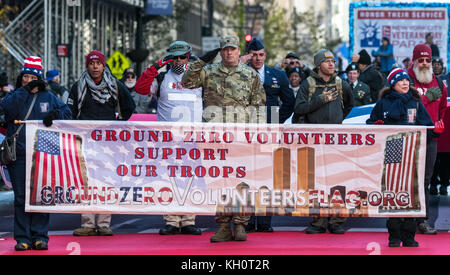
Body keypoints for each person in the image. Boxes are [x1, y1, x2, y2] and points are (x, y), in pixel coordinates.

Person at [182, 35, 266, 243]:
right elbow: (186, 82)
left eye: (232, 49)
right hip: (214, 137)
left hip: (240, 137)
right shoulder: (209, 71)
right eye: (224, 50)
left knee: (242, 182)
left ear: (239, 52)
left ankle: (240, 224)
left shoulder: (250, 74)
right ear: (220, 52)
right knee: (218, 181)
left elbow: (259, 105)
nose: (229, 53)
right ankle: (222, 225)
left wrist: (256, 134)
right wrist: (201, 60)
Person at [0, 56, 72, 251]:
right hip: (20, 153)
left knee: (41, 195)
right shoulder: (15, 95)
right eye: (26, 76)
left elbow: (67, 113)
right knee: (21, 197)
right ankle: (22, 238)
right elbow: (6, 108)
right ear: (21, 77)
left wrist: (55, 115)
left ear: (39, 78)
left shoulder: (48, 97)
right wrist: (24, 91)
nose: (28, 80)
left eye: (33, 77)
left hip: (44, 153)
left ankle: (41, 237)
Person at [366, 68, 443, 247]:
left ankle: (409, 236)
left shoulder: (416, 103)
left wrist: (436, 132)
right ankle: (393, 235)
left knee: (410, 195)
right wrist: (376, 126)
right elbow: (370, 124)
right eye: (401, 81)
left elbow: (428, 128)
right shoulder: (382, 103)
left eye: (407, 80)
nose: (405, 83)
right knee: (392, 194)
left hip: (412, 155)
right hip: (391, 154)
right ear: (393, 84)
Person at [135, 41, 203, 235]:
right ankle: (171, 220)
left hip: (193, 138)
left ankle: (189, 219)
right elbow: (140, 89)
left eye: (182, 57)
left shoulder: (200, 77)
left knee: (191, 179)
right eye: (175, 58)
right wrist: (156, 66)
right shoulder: (163, 77)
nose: (179, 61)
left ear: (188, 57)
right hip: (168, 140)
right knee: (169, 179)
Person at [68, 50, 135, 237]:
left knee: (106, 181)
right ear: (87, 66)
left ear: (104, 65)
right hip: (85, 140)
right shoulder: (78, 86)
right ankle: (88, 223)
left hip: (109, 142)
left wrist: (118, 124)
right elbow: (70, 111)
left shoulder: (115, 85)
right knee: (87, 181)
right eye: (92, 63)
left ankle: (104, 223)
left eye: (98, 63)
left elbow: (129, 106)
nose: (95, 66)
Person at [292, 49, 353, 234]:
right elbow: (299, 108)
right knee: (316, 181)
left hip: (336, 140)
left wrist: (338, 118)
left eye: (333, 61)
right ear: (319, 65)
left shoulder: (341, 84)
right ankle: (318, 221)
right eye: (327, 61)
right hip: (314, 141)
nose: (332, 64)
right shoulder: (308, 84)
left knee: (337, 180)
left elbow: (349, 105)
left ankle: (336, 220)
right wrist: (320, 100)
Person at [241, 38, 295, 233]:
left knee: (266, 175)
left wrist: (276, 120)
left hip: (269, 132)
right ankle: (244, 220)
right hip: (245, 131)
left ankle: (264, 221)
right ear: (248, 55)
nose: (257, 59)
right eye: (253, 55)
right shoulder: (239, 73)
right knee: (245, 174)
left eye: (261, 55)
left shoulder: (278, 75)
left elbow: (289, 101)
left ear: (266, 55)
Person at [407, 43, 447, 234]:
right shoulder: (406, 80)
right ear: (414, 61)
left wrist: (438, 125)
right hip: (409, 138)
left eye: (427, 60)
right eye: (420, 60)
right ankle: (405, 220)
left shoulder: (438, 82)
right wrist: (424, 100)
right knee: (407, 179)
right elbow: (404, 108)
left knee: (426, 179)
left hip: (430, 138)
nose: (424, 64)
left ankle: (422, 220)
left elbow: (442, 109)